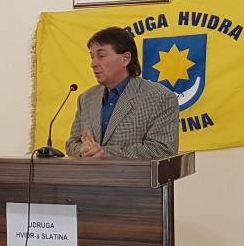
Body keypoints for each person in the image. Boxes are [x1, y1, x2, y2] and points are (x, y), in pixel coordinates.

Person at [66, 26, 179, 160]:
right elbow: (72, 143)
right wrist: (82, 150)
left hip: (133, 174)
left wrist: (105, 153)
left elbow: (163, 149)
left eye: (101, 56)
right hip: (90, 174)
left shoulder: (160, 97)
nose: (93, 63)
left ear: (125, 59)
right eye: (92, 56)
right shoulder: (86, 98)